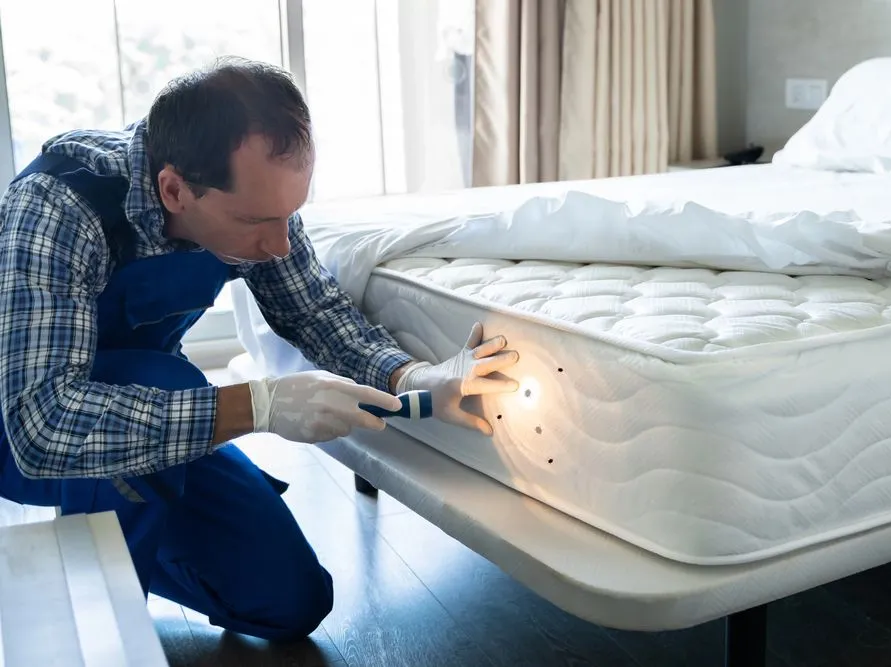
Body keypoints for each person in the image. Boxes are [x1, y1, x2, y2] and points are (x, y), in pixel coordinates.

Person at [0, 58, 519, 641]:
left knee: (290, 602)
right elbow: (39, 427)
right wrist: (260, 407)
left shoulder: (250, 204)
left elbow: (313, 311)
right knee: (167, 381)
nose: (278, 245)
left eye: (289, 217)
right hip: (22, 429)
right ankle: (93, 630)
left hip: (146, 422)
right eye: (256, 222)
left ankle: (115, 541)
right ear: (174, 190)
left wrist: (413, 376)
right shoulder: (58, 206)